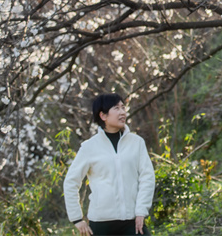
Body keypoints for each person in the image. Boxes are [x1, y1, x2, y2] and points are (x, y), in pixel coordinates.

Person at [64, 94, 156, 236]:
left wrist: (141, 211)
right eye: (116, 108)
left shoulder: (136, 143)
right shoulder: (89, 147)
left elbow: (147, 177)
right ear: (103, 115)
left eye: (123, 108)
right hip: (101, 224)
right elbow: (71, 182)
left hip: (132, 221)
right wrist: (77, 219)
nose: (122, 112)